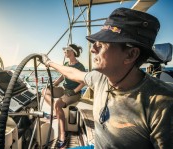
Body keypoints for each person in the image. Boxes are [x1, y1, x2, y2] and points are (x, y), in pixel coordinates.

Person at [40, 8, 173, 149]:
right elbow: (72, 73)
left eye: (101, 45)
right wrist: (49, 62)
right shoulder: (100, 78)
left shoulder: (163, 105)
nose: (92, 50)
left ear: (131, 54)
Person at [41, 44, 85, 148]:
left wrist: (74, 91)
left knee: (58, 104)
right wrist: (54, 84)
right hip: (64, 90)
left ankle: (62, 136)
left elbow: (83, 82)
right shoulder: (66, 63)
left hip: (74, 93)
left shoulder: (80, 66)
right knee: (44, 91)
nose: (64, 51)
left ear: (72, 52)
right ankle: (56, 111)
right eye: (64, 50)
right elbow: (62, 76)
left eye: (66, 50)